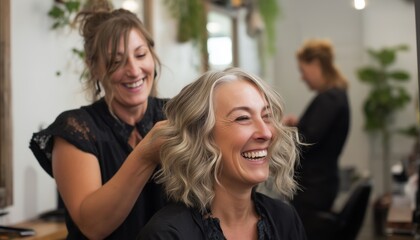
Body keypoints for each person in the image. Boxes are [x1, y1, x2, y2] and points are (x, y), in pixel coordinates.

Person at [29, 7, 168, 239]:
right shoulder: (76, 129)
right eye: (116, 61)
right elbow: (93, 226)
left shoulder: (175, 115)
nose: (134, 70)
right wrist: (146, 153)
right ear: (94, 68)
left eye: (141, 55)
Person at [137, 67, 307, 239]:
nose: (266, 133)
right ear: (200, 136)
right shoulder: (166, 235)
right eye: (243, 118)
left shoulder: (285, 219)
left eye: (266, 116)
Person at [283, 39, 350, 239]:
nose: (302, 78)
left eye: (303, 70)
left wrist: (277, 131)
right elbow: (315, 132)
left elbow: (306, 141)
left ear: (315, 65)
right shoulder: (334, 97)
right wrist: (297, 124)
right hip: (320, 185)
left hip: (314, 189)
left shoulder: (329, 99)